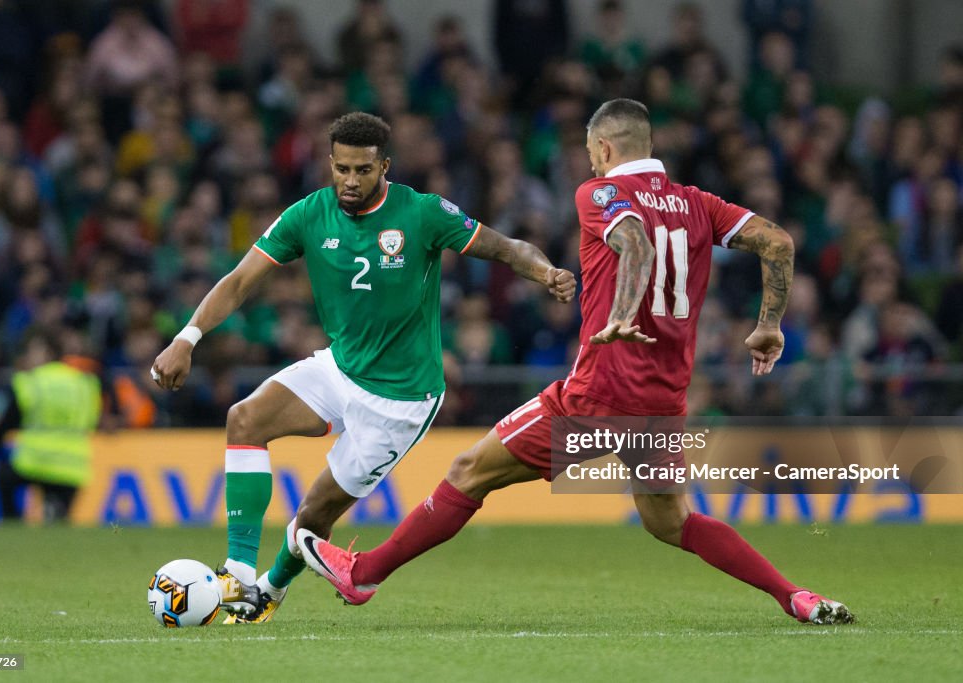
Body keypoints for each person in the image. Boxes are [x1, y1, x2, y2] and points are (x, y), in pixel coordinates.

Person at [297, 99, 855, 626]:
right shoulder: (698, 203)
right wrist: (768, 324)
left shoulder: (598, 194)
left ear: (606, 149)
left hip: (598, 394)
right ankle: (794, 596)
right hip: (662, 401)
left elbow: (634, 243)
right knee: (671, 520)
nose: (589, 162)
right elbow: (777, 241)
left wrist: (620, 311)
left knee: (470, 472)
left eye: (591, 152)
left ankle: (364, 575)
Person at [150, 112, 576, 624]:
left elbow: (504, 248)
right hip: (339, 368)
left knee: (313, 517)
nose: (350, 181)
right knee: (245, 419)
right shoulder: (307, 214)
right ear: (330, 163)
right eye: (342, 169)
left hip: (401, 398)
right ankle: (238, 574)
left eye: (363, 171)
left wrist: (546, 272)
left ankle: (268, 591)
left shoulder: (420, 213)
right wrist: (186, 337)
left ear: (384, 166)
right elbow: (241, 280)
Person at [0, 327, 102, 523]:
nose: (27, 356)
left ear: (48, 352)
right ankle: (52, 514)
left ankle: (11, 524)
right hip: (72, 466)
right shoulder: (85, 383)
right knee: (58, 526)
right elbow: (91, 422)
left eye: (31, 351)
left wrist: (0, 454)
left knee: (4, 478)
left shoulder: (31, 381)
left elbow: (3, 427)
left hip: (34, 462)